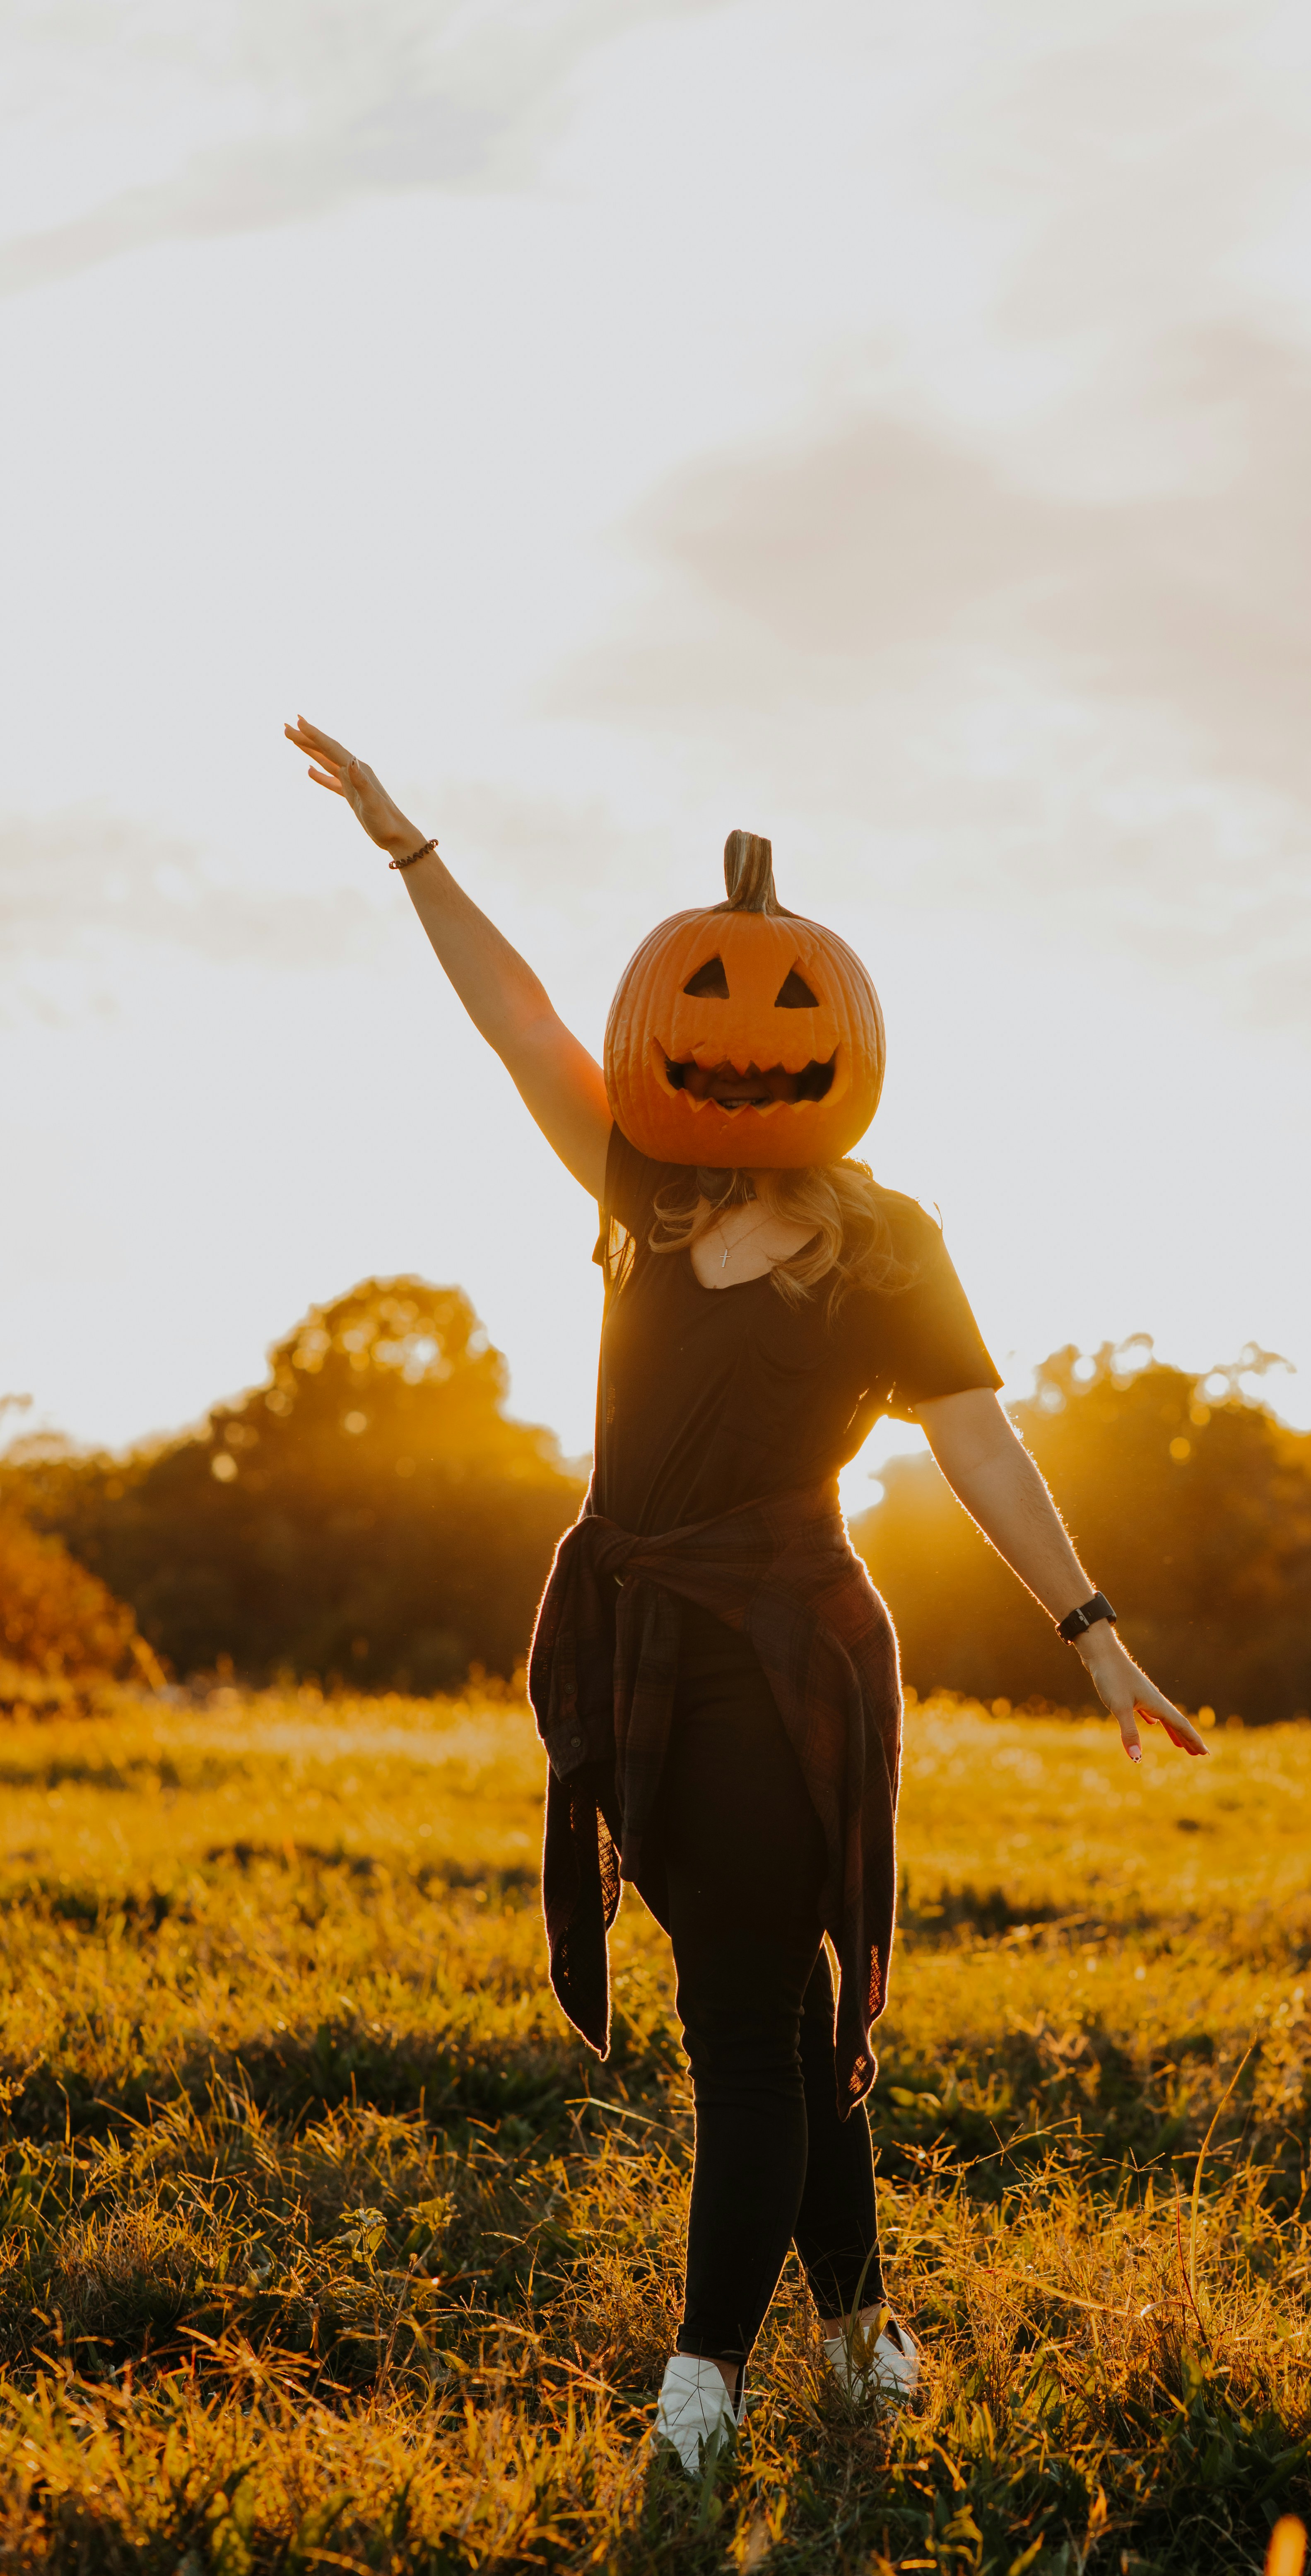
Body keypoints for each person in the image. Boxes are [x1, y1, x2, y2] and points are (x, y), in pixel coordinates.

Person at [285, 715, 1208, 2471]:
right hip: (638, 1639)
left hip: (787, 1651)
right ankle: (860, 2339)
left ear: (844, 1053)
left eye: (782, 1021)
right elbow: (516, 1023)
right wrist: (411, 849)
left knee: (747, 2033)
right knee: (774, 2005)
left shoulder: (889, 1244)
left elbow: (983, 1449)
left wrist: (1094, 1638)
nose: (736, 1046)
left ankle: (701, 2390)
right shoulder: (644, 1177)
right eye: (706, 1016)